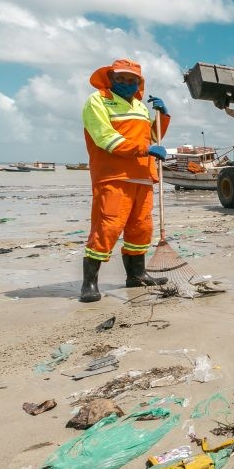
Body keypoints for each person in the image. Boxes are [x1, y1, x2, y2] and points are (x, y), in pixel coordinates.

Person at [79, 58, 170, 302]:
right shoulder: (97, 101)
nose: (126, 83)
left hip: (142, 176)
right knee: (106, 228)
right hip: (113, 177)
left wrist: (163, 116)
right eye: (121, 79)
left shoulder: (141, 107)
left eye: (132, 80)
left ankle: (136, 275)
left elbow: (152, 137)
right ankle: (89, 284)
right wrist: (145, 149)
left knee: (141, 228)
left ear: (139, 83)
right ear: (110, 78)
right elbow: (105, 138)